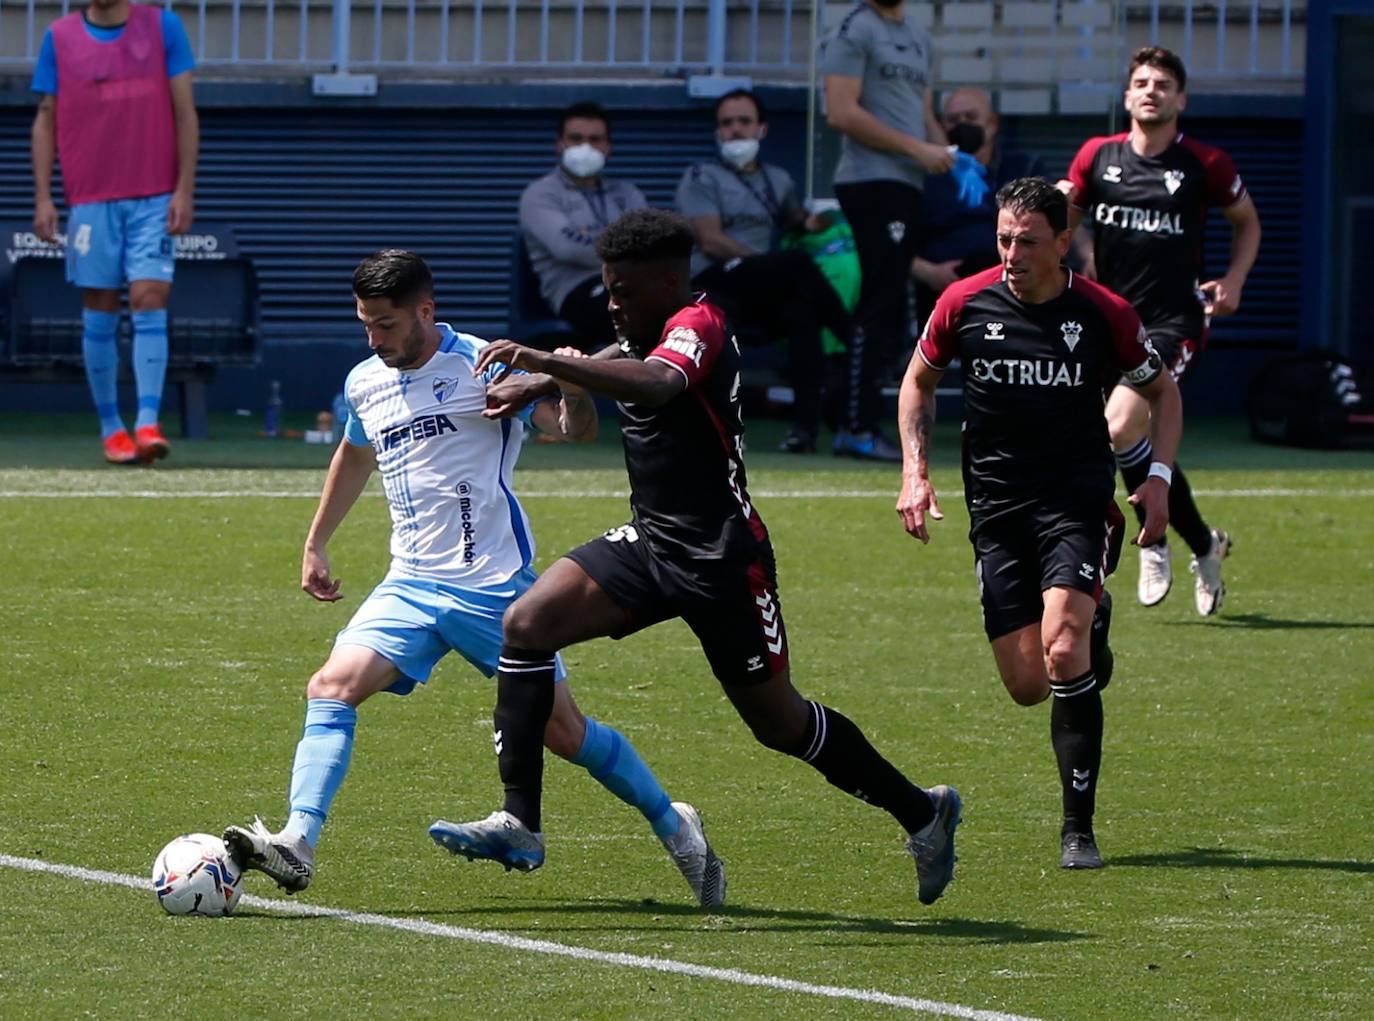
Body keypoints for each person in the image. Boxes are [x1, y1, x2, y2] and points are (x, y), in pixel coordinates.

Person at [434, 209, 963, 907]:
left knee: (781, 723)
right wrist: (544, 384)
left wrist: (545, 361)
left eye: (622, 289)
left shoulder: (698, 325)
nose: (613, 302)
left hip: (722, 560)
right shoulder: (642, 327)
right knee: (526, 625)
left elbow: (655, 383)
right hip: (652, 543)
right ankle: (521, 821)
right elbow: (611, 372)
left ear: (665, 279)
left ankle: (924, 813)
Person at [223, 250, 727, 909]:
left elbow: (572, 433)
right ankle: (298, 841)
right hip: (409, 583)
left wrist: (570, 385)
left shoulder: (488, 361)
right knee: (331, 686)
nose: (374, 339)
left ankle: (673, 821)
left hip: (494, 587)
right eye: (365, 325)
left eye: (386, 325)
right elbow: (354, 452)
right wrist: (316, 542)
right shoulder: (363, 382)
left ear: (426, 312)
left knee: (564, 733)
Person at [896, 179, 1183, 869]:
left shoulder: (1103, 312)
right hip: (996, 513)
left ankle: (1077, 828)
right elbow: (918, 384)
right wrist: (914, 469)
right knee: (1027, 683)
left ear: (1063, 241)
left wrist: (1159, 479)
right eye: (1003, 239)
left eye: (1027, 241)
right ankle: (1096, 618)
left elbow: (1161, 391)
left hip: (1077, 506)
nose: (1012, 254)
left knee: (1062, 649)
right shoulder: (963, 302)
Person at [1061, 46, 1261, 616]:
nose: (1151, 90)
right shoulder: (1097, 158)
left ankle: (1151, 539)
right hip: (1107, 323)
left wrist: (1236, 280)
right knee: (1135, 440)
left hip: (1175, 322)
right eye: (1142, 82)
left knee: (1121, 423)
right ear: (1127, 97)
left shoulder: (1206, 164)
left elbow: (1246, 222)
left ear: (1181, 100)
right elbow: (1065, 224)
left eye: (1164, 84)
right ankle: (1203, 542)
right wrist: (1069, 247)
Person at [30, 0, 199, 465]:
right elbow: (46, 117)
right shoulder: (59, 37)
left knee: (149, 297)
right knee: (99, 305)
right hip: (90, 199)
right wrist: (44, 197)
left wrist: (183, 190)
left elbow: (185, 113)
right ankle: (111, 428)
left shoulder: (163, 26)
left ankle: (148, 422)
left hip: (154, 196)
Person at [674, 88, 855, 454]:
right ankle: (857, 344)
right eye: (727, 124)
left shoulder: (777, 179)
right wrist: (765, 263)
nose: (736, 130)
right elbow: (710, 240)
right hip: (718, 280)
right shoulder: (701, 177)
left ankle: (804, 431)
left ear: (762, 129)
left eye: (744, 122)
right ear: (717, 133)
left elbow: (797, 221)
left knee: (801, 312)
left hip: (764, 286)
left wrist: (835, 220)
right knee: (798, 266)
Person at [819, 0, 960, 462]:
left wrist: (956, 161)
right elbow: (840, 111)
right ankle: (855, 427)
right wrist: (917, 150)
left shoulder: (919, 37)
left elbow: (923, 116)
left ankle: (861, 419)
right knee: (879, 301)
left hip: (907, 183)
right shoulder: (854, 29)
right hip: (870, 180)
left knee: (893, 302)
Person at [911, 87, 1047, 327]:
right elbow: (896, 245)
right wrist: (929, 272)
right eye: (953, 120)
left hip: (1011, 297)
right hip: (941, 300)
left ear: (992, 124)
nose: (962, 125)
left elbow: (1054, 224)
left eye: (971, 117)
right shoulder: (924, 178)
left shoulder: (1024, 170)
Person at [519, 101, 647, 353]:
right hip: (577, 291)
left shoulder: (627, 193)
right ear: (559, 144)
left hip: (633, 284)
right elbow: (569, 249)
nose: (585, 147)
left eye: (595, 139)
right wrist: (629, 246)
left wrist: (591, 238)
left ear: (608, 147)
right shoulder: (541, 193)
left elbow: (651, 244)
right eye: (576, 138)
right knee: (636, 313)